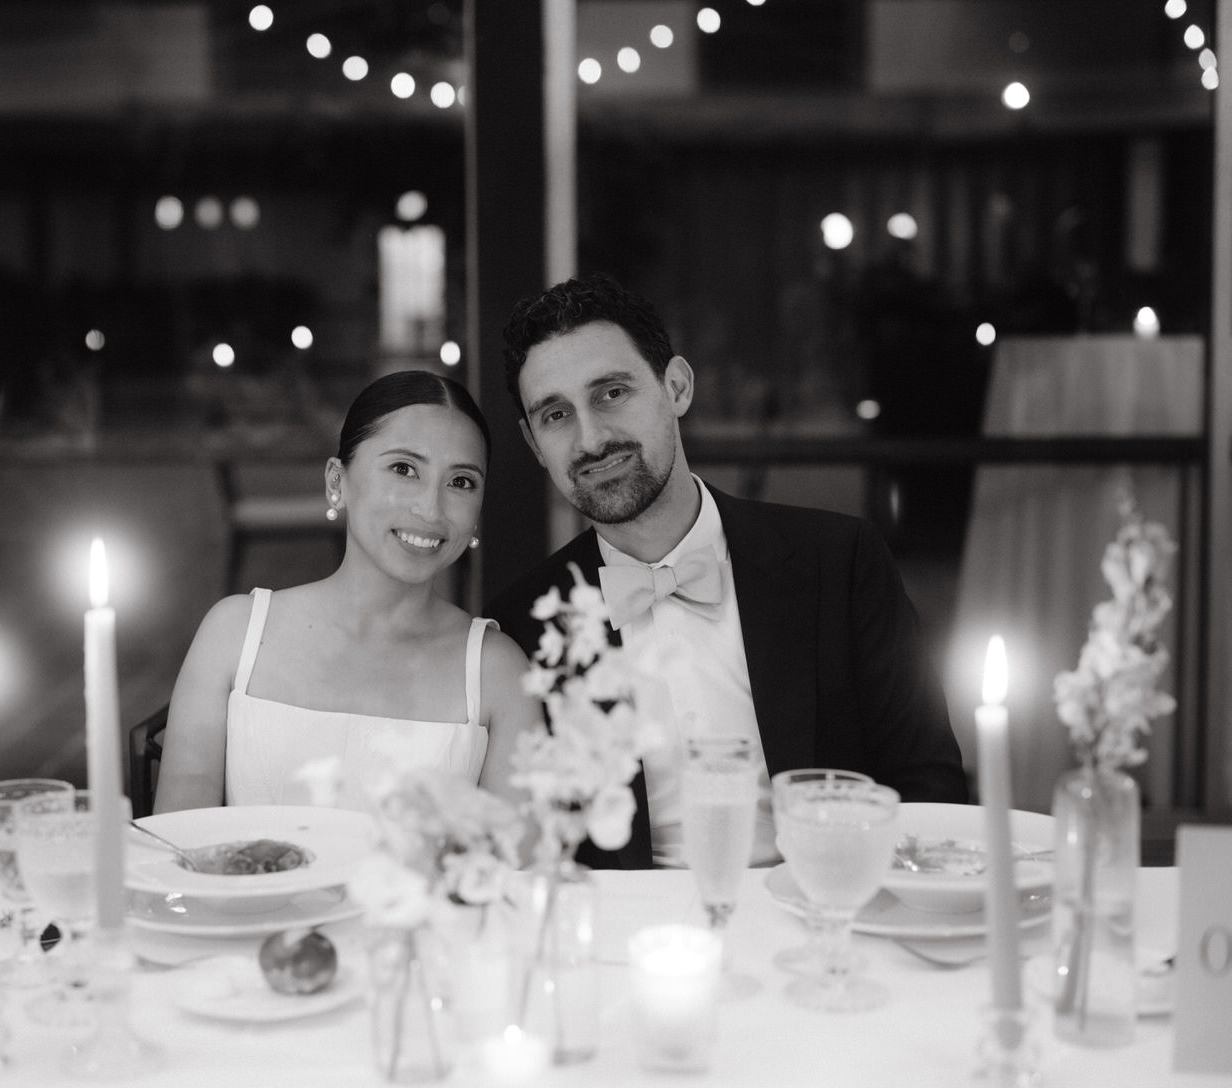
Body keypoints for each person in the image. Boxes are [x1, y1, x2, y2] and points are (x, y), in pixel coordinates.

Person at [484, 273, 968, 869]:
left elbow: (928, 784)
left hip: (820, 909)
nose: (592, 438)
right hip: (624, 940)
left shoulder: (838, 562)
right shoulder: (522, 628)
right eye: (556, 415)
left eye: (612, 393)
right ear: (534, 444)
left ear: (677, 387)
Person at [154, 370, 539, 814]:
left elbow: (518, 871)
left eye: (461, 482)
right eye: (404, 469)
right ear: (337, 481)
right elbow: (177, 841)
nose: (431, 509)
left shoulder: (498, 672)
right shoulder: (234, 633)